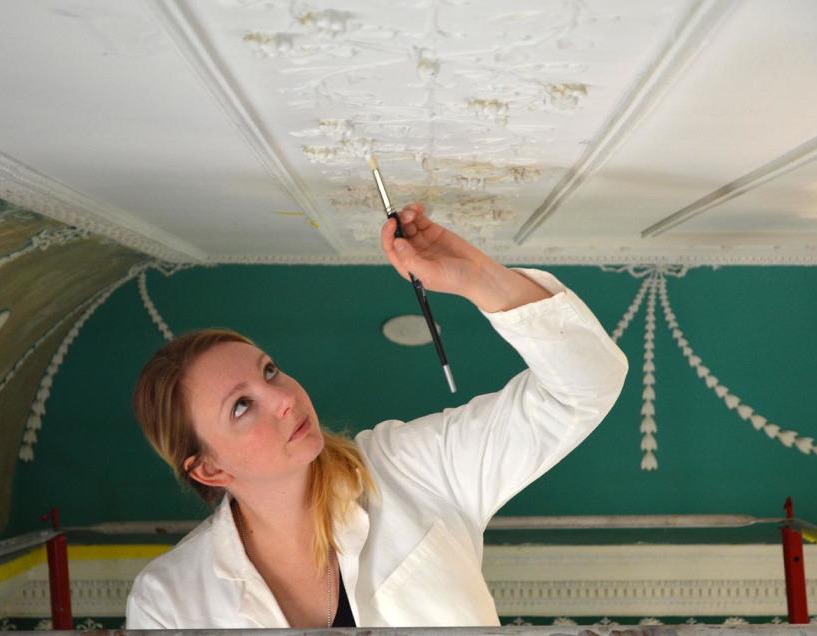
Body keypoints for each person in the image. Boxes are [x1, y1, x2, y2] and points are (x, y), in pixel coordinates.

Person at [125, 202, 628, 628]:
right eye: (241, 405)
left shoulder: (412, 468)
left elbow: (584, 388)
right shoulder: (168, 602)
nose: (284, 397)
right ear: (209, 469)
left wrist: (476, 277)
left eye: (271, 371)